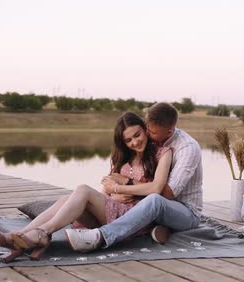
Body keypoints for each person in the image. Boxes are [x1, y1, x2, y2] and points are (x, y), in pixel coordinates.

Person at [0, 112, 173, 262]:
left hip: (135, 220)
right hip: (113, 212)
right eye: (128, 140)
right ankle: (18, 236)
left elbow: (156, 189)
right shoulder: (124, 158)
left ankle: (42, 233)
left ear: (145, 130)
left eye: (137, 135)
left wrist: (119, 189)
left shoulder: (162, 154)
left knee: (83, 189)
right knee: (65, 199)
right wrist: (113, 194)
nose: (134, 142)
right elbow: (106, 191)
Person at [65, 102, 203, 252]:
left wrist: (125, 185)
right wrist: (113, 195)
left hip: (185, 212)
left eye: (153, 133)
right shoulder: (154, 138)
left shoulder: (187, 148)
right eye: (147, 129)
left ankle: (101, 236)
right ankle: (157, 229)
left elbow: (166, 194)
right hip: (152, 206)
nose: (148, 135)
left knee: (155, 201)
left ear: (169, 132)